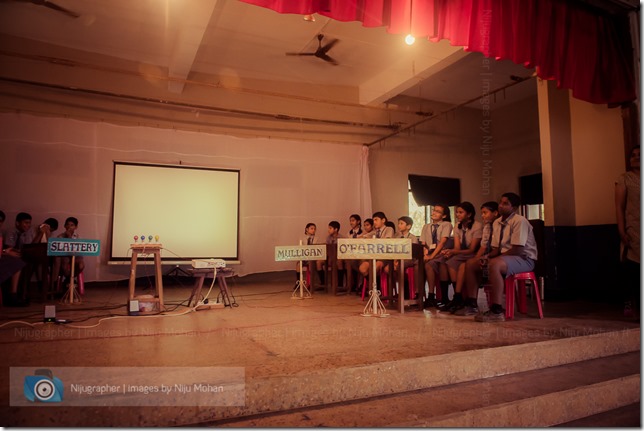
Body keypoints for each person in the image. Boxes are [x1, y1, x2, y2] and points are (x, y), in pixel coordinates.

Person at [472, 193, 538, 322]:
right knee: (471, 264)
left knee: (494, 264)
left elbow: (518, 249)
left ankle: (496, 310)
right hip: (506, 257)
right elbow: (497, 248)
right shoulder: (497, 222)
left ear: (514, 207)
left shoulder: (520, 221)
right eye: (500, 203)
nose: (500, 206)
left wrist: (495, 259)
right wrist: (487, 256)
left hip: (524, 259)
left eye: (505, 203)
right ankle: (470, 305)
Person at [436, 202, 483, 313]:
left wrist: (453, 251)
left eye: (461, 212)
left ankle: (458, 296)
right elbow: (457, 247)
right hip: (462, 253)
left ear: (469, 214)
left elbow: (472, 249)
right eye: (457, 212)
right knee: (450, 262)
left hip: (473, 254)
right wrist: (451, 252)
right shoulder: (457, 226)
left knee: (461, 265)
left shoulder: (477, 226)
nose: (458, 214)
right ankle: (458, 297)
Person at [456, 201, 500, 316]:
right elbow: (484, 246)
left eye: (485, 213)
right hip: (489, 254)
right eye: (482, 213)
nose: (483, 216)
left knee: (478, 263)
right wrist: (477, 258)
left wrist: (486, 256)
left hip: (499, 256)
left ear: (495, 213)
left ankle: (496, 307)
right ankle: (471, 303)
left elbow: (499, 248)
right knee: (470, 264)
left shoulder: (499, 225)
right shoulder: (487, 227)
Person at [615, 146, 640, 317]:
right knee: (637, 271)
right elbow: (619, 206)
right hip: (635, 229)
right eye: (633, 155)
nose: (636, 158)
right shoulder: (625, 179)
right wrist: (622, 231)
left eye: (640, 155)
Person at [419, 204, 453, 308]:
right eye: (434, 210)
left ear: (443, 216)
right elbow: (423, 243)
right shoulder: (426, 226)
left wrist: (432, 256)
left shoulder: (446, 224)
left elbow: (442, 243)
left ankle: (443, 297)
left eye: (438, 211)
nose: (434, 212)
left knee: (436, 263)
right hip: (430, 253)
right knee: (424, 264)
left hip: (442, 252)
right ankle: (428, 295)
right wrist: (425, 253)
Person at [0, 211, 28, 306]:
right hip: (4, 255)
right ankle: (12, 295)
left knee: (21, 262)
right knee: (17, 262)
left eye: (1, 221)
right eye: (26, 222)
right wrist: (5, 252)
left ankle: (16, 294)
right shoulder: (11, 231)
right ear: (17, 223)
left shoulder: (23, 234)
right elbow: (8, 247)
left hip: (4, 254)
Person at [51, 217, 85, 293]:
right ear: (64, 226)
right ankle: (69, 280)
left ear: (76, 227)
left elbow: (78, 250)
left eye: (72, 225)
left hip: (76, 256)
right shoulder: (60, 237)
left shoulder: (78, 237)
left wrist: (70, 238)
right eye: (67, 225)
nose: (69, 227)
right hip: (65, 255)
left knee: (81, 265)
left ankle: (70, 279)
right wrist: (68, 237)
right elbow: (59, 250)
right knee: (64, 263)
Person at [358, 212, 395, 278]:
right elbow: (362, 237)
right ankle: (370, 285)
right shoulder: (374, 232)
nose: (374, 222)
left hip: (384, 256)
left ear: (383, 220)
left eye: (376, 220)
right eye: (373, 220)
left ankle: (375, 286)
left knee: (375, 267)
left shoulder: (389, 229)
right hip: (373, 256)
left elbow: (386, 241)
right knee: (362, 268)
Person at [392, 216, 419, 298]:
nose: (399, 225)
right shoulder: (396, 236)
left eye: (401, 223)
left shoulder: (413, 237)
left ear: (408, 226)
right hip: (399, 258)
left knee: (399, 266)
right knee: (390, 268)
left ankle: (405, 291)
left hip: (410, 259)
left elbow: (413, 252)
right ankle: (400, 290)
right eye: (398, 223)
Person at [326, 220, 345, 287]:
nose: (328, 230)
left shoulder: (341, 238)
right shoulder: (328, 238)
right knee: (319, 262)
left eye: (330, 228)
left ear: (336, 229)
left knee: (339, 262)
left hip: (339, 256)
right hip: (331, 256)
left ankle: (340, 283)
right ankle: (323, 283)